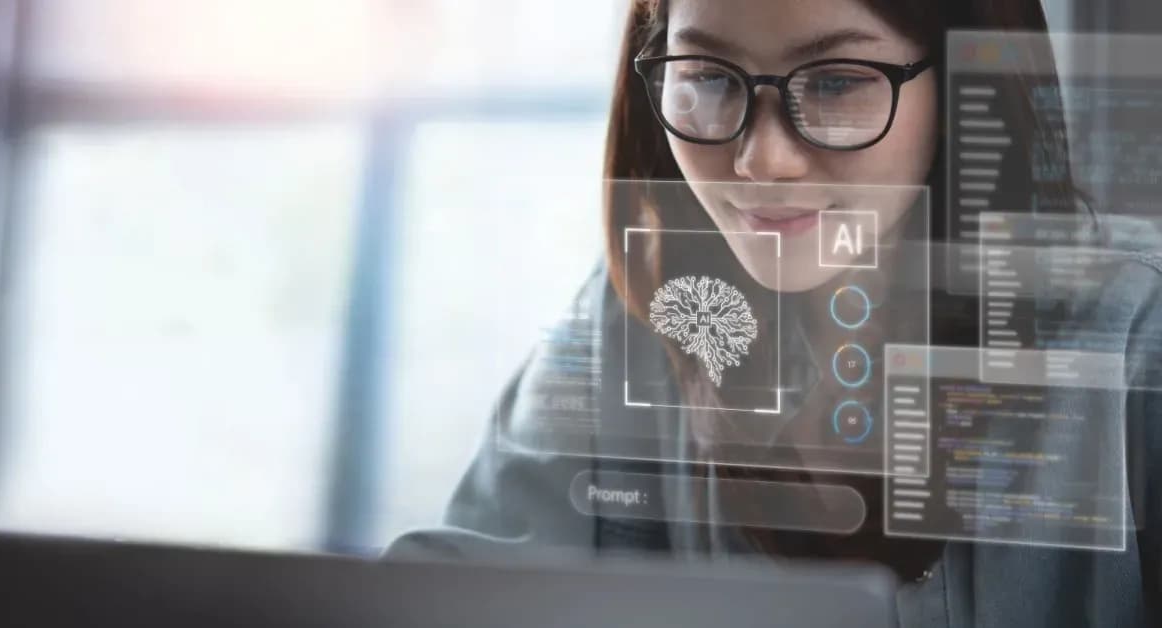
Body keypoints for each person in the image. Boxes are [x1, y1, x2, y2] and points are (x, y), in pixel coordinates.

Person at [389, 1, 1162, 625]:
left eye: (833, 83)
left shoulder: (1140, 343)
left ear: (967, 83)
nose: (763, 162)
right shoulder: (636, 309)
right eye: (708, 77)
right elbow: (458, 585)